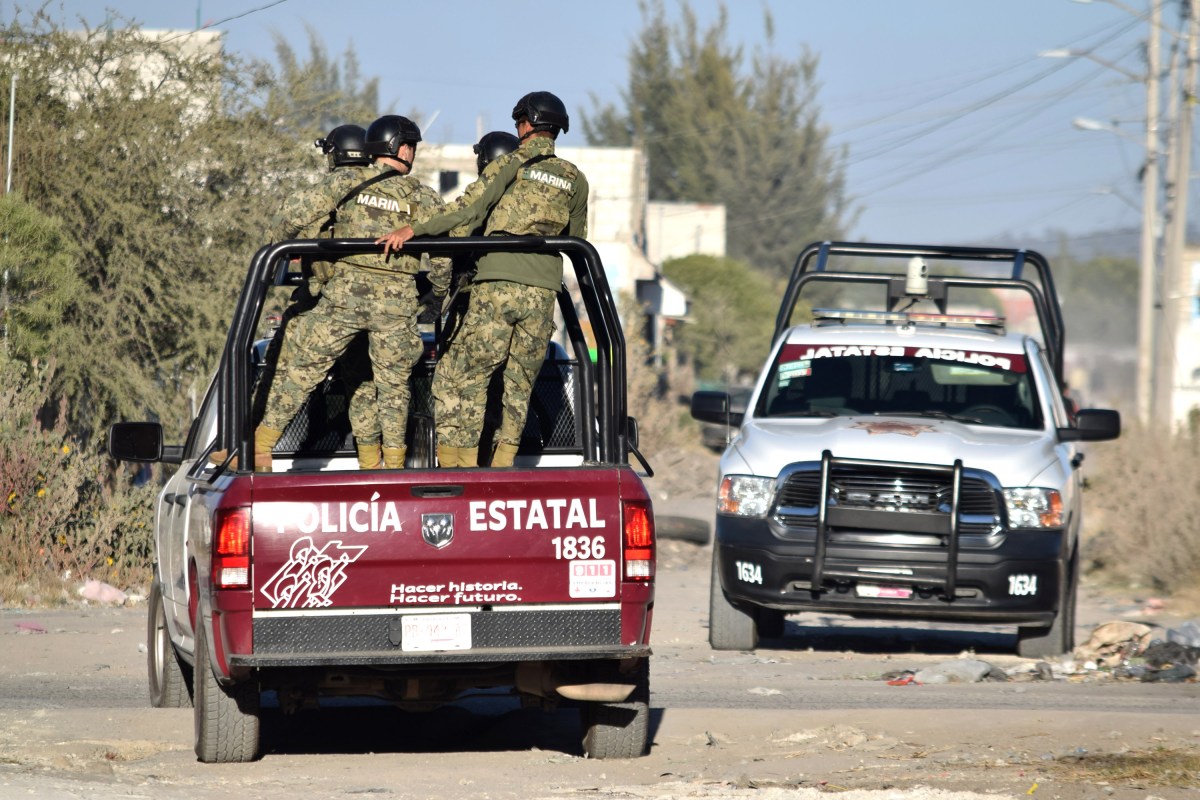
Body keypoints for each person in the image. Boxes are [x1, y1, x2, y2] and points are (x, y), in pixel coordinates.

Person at [376, 91, 589, 469]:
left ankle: (464, 469)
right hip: (543, 294)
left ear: (526, 124)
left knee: (464, 375)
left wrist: (416, 229)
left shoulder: (511, 162)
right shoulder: (576, 179)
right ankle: (504, 469)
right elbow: (576, 236)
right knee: (519, 385)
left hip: (498, 285)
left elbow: (468, 210)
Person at [252, 114, 450, 473]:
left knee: (303, 370)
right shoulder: (423, 197)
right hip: (397, 301)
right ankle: (388, 468)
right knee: (392, 388)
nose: (414, 154)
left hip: (344, 296)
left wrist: (280, 247)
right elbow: (442, 258)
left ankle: (261, 448)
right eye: (412, 147)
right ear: (399, 148)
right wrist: (435, 296)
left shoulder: (347, 179)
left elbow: (291, 215)